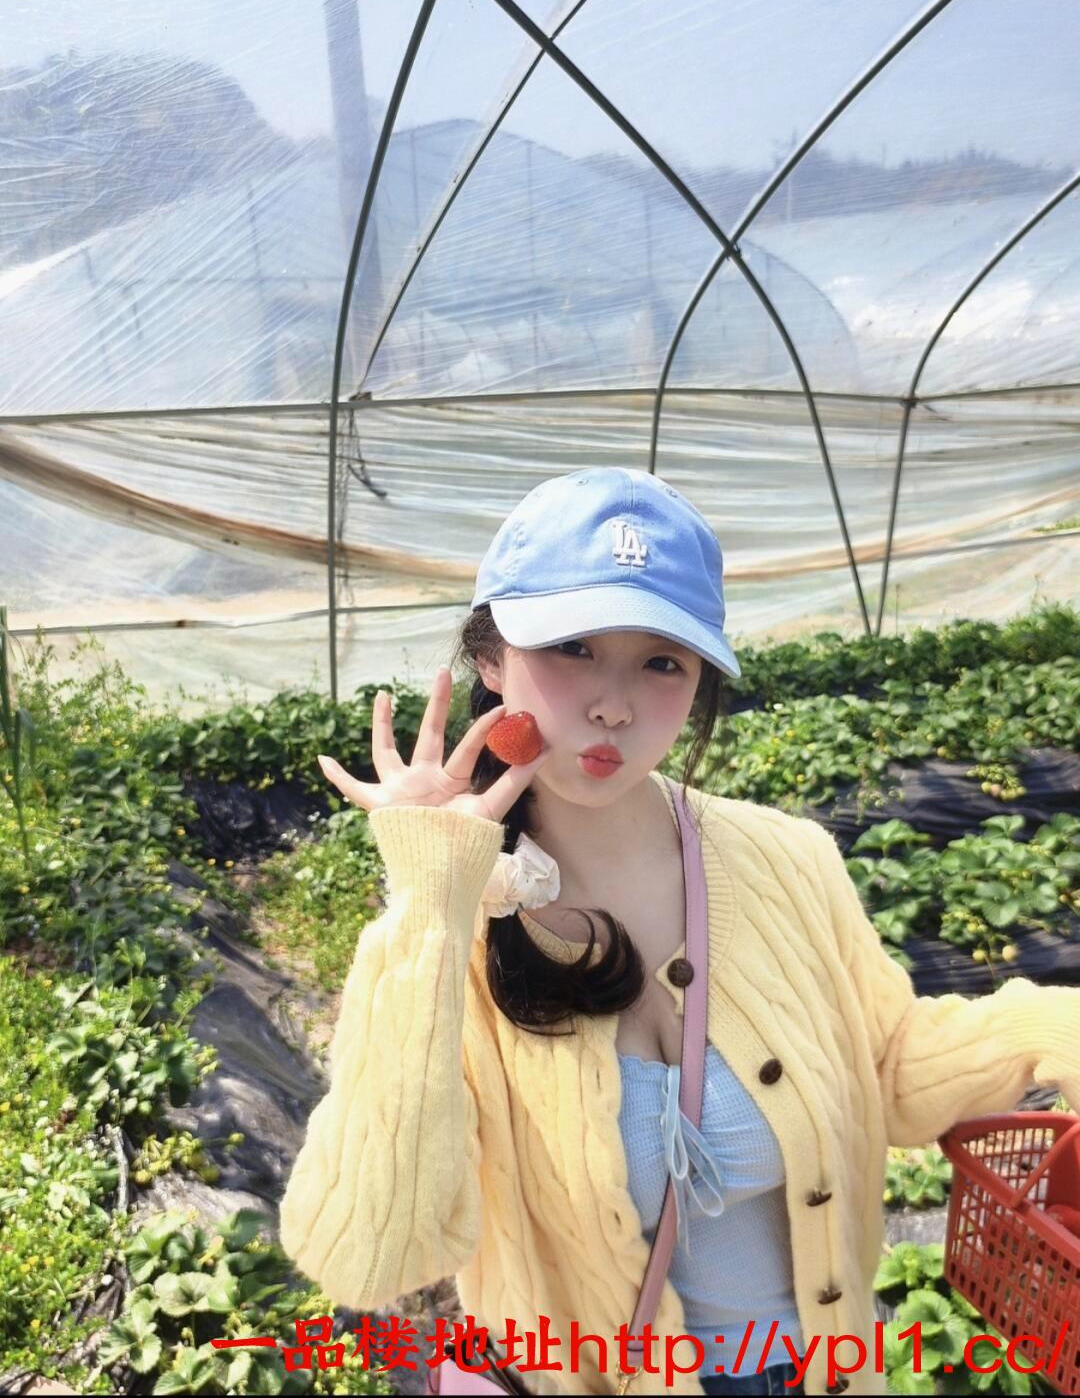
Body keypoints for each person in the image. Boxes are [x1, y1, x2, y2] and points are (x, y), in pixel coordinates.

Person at [278, 467, 1080, 1398]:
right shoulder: (455, 926)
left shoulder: (786, 860)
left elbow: (890, 1065)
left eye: (662, 662)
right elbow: (372, 1256)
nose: (613, 704)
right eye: (573, 646)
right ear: (491, 658)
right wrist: (428, 901)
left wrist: (1050, 1027)